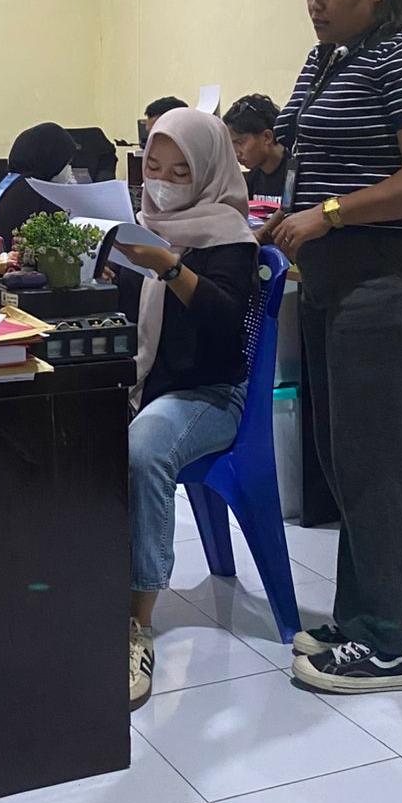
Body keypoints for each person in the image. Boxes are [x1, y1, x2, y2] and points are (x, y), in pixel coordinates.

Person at [262, 0, 402, 694]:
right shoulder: (327, 61)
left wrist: (330, 212)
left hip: (395, 279)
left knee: (376, 462)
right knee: (342, 456)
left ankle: (389, 644)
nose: (314, 4)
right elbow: (286, 144)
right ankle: (359, 618)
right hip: (336, 281)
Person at [114, 108, 259, 709]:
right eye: (153, 166)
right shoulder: (143, 224)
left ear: (208, 171)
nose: (164, 181)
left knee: (142, 450)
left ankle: (136, 623)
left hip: (207, 394)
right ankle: (76, 591)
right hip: (146, 385)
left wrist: (171, 267)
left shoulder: (229, 234)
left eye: (181, 172)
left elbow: (229, 328)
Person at [0, 122, 78, 249]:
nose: (69, 169)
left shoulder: (11, 182)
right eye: (67, 163)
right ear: (52, 161)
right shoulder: (35, 190)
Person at [223, 94, 289, 201]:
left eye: (240, 142)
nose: (236, 153)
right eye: (231, 145)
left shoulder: (297, 172)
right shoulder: (252, 178)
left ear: (267, 137)